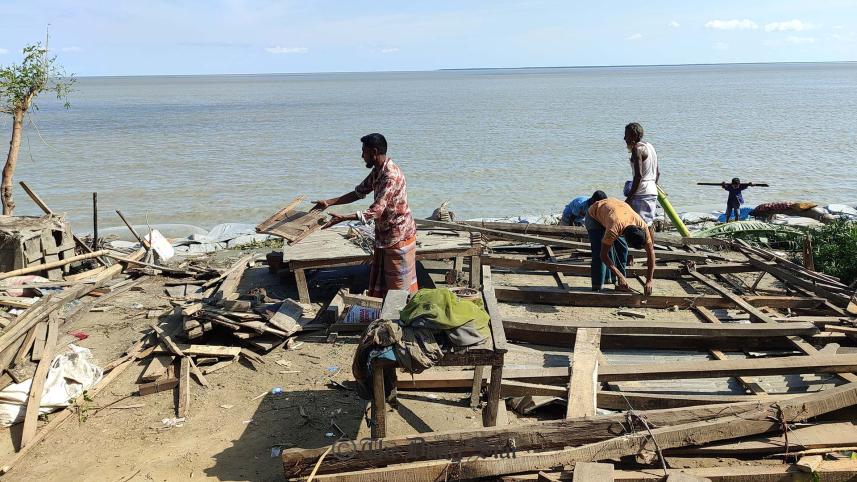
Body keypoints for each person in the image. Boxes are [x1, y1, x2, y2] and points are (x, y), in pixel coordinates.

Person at [314, 133, 418, 297]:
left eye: (364, 152)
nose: (362, 156)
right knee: (384, 283)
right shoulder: (378, 171)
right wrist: (329, 203)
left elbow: (376, 211)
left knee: (399, 288)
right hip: (384, 235)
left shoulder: (390, 176)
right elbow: (358, 193)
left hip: (399, 235)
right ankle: (386, 315)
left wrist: (343, 218)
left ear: (374, 152)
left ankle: (399, 317)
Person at [585, 192, 656, 296]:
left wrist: (649, 280)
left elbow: (651, 254)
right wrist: (620, 275)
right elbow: (603, 255)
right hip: (594, 215)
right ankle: (597, 287)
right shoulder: (614, 229)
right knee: (598, 252)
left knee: (622, 251)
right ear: (626, 237)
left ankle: (620, 284)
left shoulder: (643, 227)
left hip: (615, 211)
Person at [622, 122, 660, 226]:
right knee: (648, 225)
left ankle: (644, 243)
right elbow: (658, 173)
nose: (624, 138)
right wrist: (653, 186)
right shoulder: (650, 146)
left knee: (638, 226)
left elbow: (638, 176)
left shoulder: (637, 149)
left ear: (634, 135)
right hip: (652, 190)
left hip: (641, 193)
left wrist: (629, 197)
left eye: (626, 135)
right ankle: (649, 243)